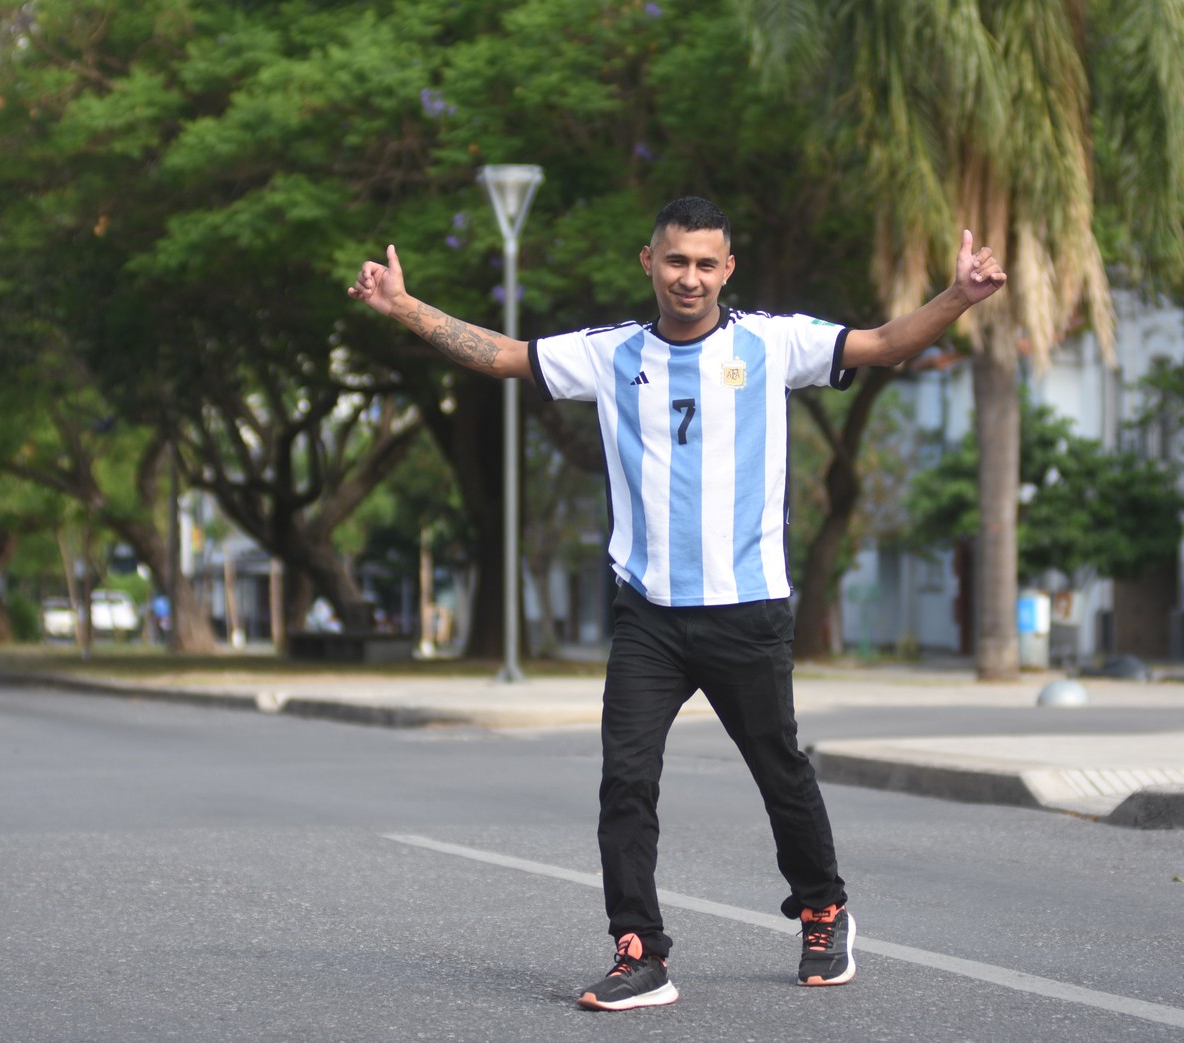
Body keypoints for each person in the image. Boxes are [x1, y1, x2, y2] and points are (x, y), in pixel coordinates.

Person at [348, 196, 1006, 1011]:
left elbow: (880, 345)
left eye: (704, 263)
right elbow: (504, 357)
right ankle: (638, 952)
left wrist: (959, 298)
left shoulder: (772, 343)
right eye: (674, 260)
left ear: (727, 270)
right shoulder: (609, 354)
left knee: (780, 771)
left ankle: (823, 906)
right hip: (648, 616)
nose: (688, 276)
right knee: (625, 781)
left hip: (747, 608)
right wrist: (403, 306)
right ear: (647, 263)